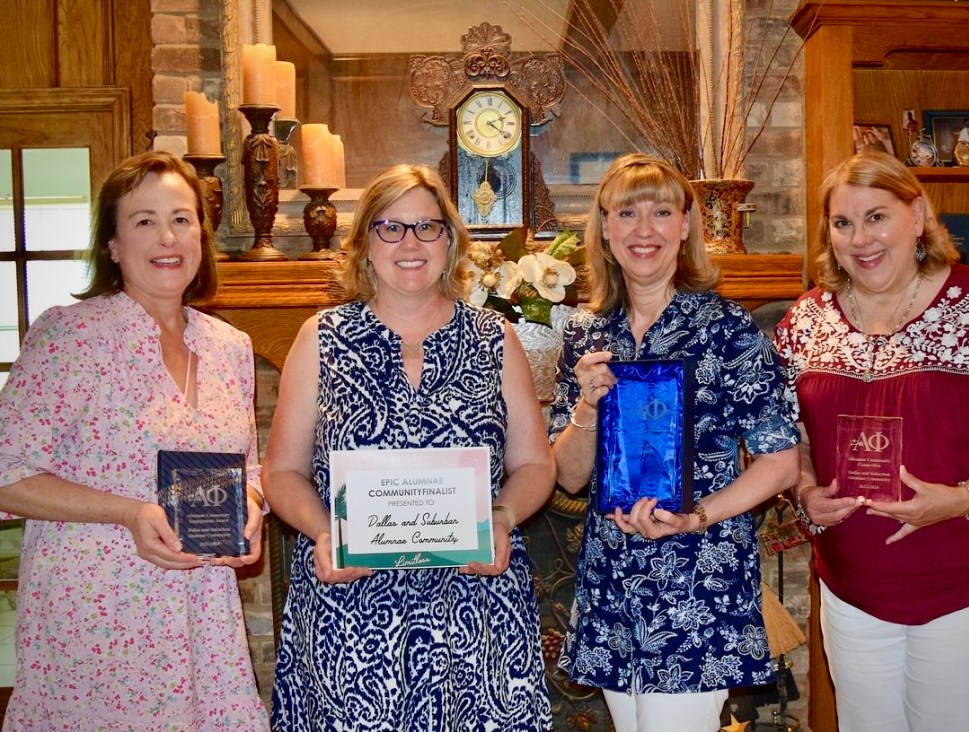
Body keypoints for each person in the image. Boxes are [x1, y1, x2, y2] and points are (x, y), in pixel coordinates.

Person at [264, 163, 554, 731]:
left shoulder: (495, 337)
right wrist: (325, 531)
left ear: (450, 240)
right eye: (390, 228)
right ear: (364, 243)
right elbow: (281, 472)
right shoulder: (320, 337)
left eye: (427, 227)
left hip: (477, 606)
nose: (410, 243)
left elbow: (535, 463)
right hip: (351, 613)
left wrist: (502, 515)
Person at [0, 151, 269, 729]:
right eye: (143, 220)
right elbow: (6, 473)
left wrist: (250, 506)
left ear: (201, 233)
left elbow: (243, 470)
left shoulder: (230, 347)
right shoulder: (70, 336)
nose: (167, 236)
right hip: (99, 620)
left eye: (181, 217)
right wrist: (129, 512)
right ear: (113, 245)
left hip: (203, 621)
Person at [549, 153, 800, 732]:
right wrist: (587, 404)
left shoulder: (727, 329)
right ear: (605, 228)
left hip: (697, 575)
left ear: (685, 226)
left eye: (662, 212)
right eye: (627, 213)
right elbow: (567, 476)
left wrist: (697, 516)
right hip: (613, 576)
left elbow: (781, 462)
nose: (644, 231)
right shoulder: (588, 334)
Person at [774, 151, 969, 731]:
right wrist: (805, 492)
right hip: (851, 589)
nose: (860, 238)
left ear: (918, 214)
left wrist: (958, 499)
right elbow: (788, 438)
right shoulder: (808, 321)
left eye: (877, 216)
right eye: (843, 223)